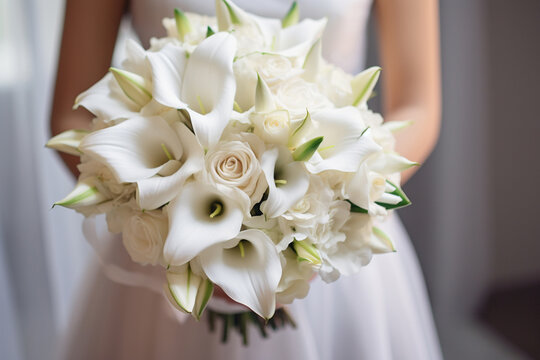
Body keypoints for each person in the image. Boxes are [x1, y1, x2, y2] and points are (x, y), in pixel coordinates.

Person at [51, 0, 442, 359]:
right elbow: (71, 116)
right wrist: (183, 238)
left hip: (330, 239)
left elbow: (418, 106)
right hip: (165, 257)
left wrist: (331, 209)